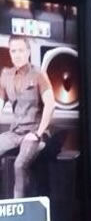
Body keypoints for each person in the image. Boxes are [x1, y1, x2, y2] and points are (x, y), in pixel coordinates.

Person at [0, 36, 55, 198]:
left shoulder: (38, 74)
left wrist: (38, 133)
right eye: (13, 51)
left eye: (21, 50)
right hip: (15, 132)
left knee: (19, 165)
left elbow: (50, 104)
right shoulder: (6, 75)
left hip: (35, 132)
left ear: (28, 52)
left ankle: (20, 206)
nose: (17, 55)